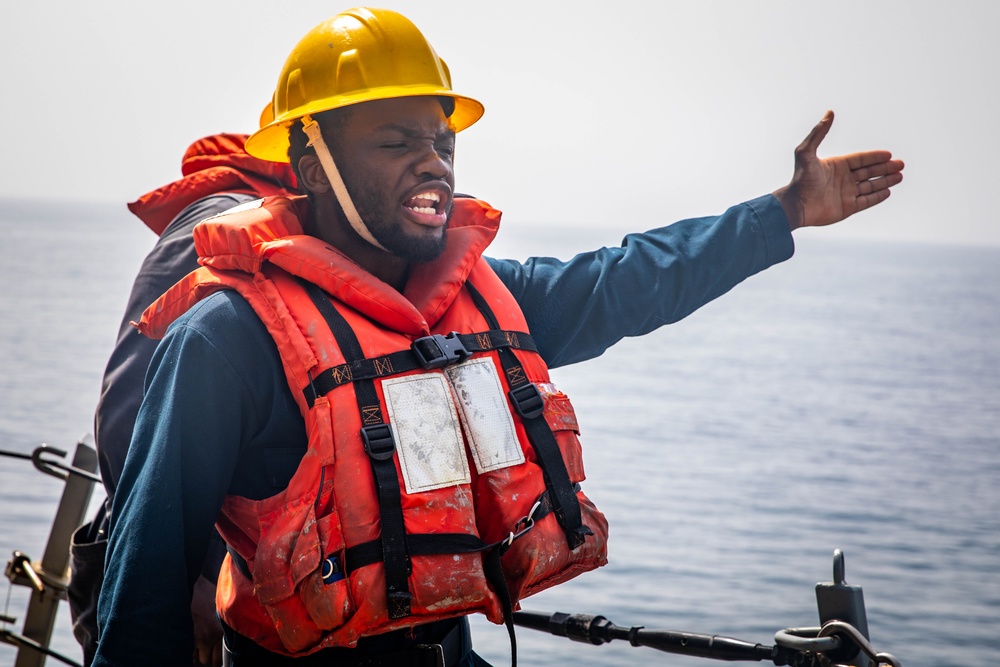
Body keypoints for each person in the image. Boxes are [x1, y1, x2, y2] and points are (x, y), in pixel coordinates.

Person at [93, 7, 903, 667]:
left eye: (442, 141)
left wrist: (783, 212)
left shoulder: (482, 303)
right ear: (310, 164)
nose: (434, 164)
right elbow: (144, 595)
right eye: (396, 141)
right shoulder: (227, 339)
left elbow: (630, 277)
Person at [68, 134, 298, 666]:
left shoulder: (289, 228)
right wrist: (186, 579)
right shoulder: (228, 219)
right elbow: (131, 413)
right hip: (167, 576)